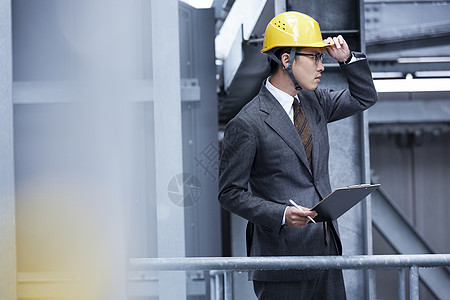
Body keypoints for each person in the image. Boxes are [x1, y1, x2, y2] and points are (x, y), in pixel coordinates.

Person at [218, 11, 378, 300]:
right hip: (282, 261)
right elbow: (230, 192)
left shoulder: (315, 102)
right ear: (287, 60)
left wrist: (348, 60)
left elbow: (364, 97)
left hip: (327, 252)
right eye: (314, 57)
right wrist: (280, 214)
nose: (321, 66)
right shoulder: (247, 123)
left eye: (322, 58)